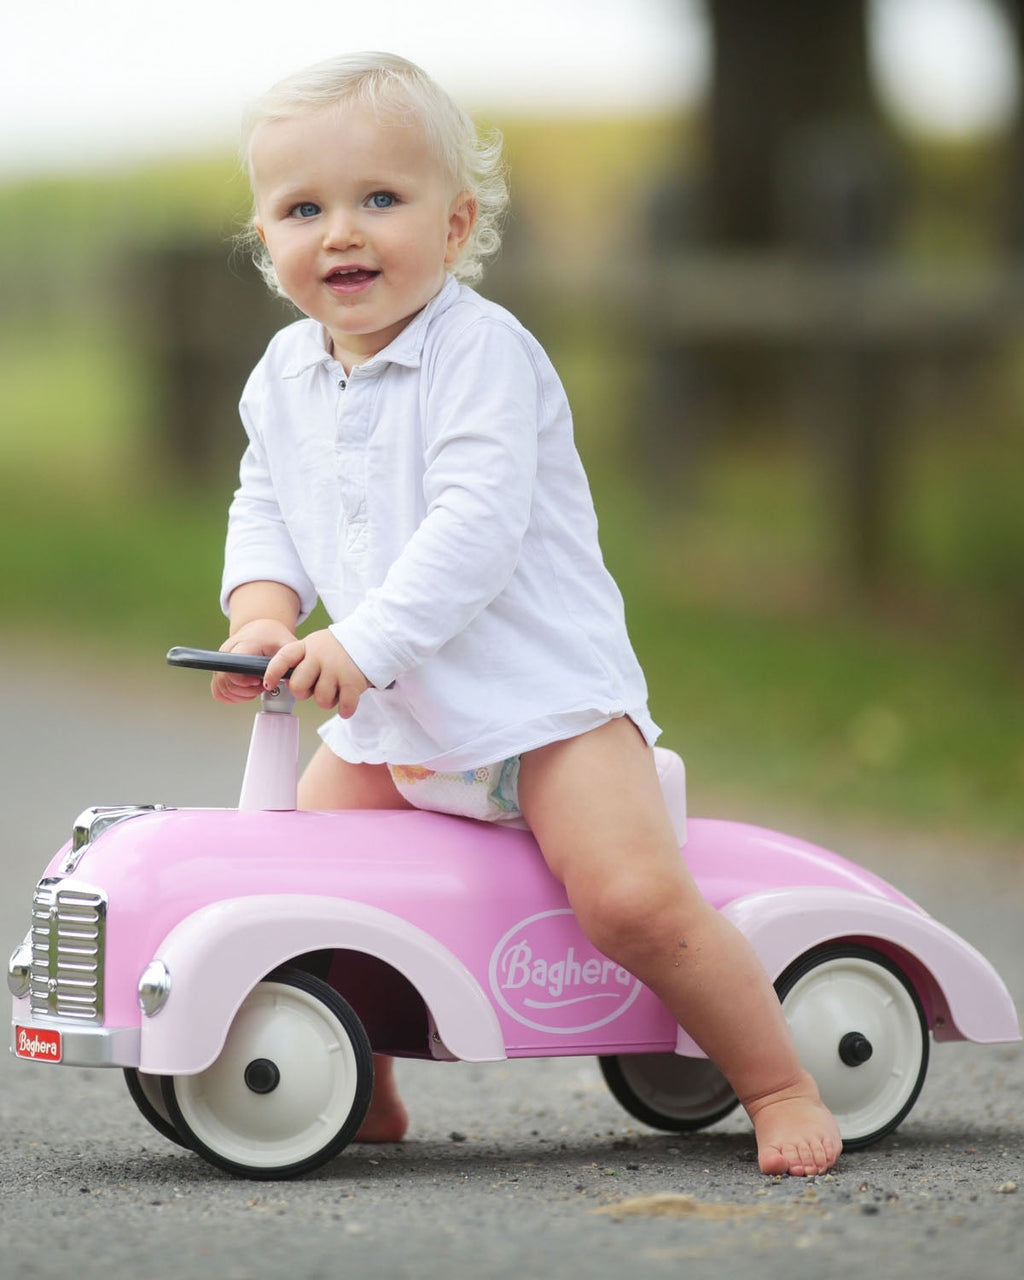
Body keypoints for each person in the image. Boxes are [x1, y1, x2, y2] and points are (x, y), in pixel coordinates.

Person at [213, 51, 842, 1178]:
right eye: (305, 208)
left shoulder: (479, 354)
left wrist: (359, 642)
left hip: (543, 709)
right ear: (267, 242)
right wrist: (264, 612)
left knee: (633, 899)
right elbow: (267, 499)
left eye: (380, 200)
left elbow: (474, 527)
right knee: (308, 880)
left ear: (455, 226)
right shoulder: (284, 374)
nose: (342, 232)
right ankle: (366, 1083)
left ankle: (776, 1076)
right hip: (402, 720)